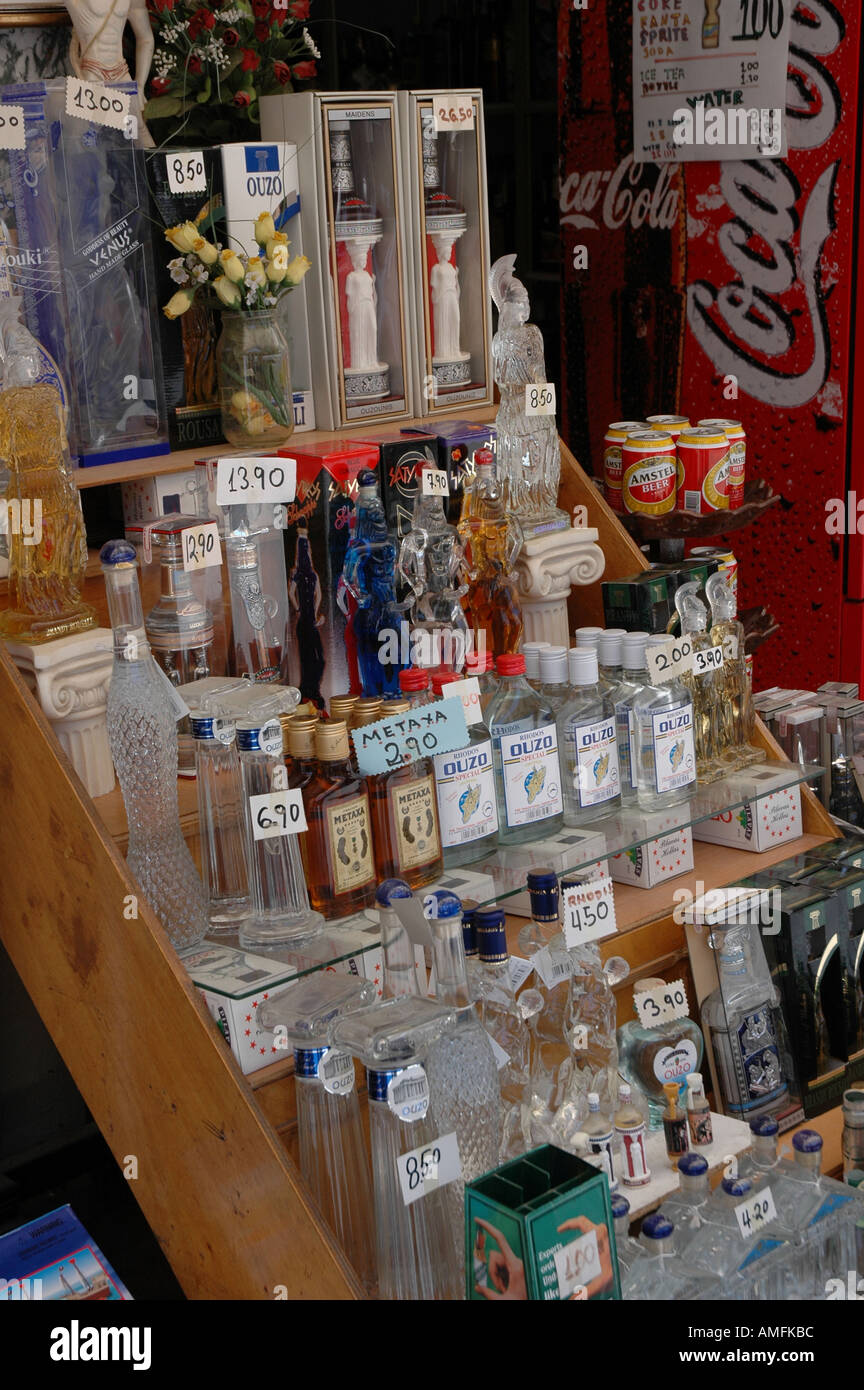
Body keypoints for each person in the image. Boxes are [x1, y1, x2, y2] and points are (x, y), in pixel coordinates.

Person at [65, 0, 154, 144]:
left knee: (138, 131)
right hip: (93, 71)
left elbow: (146, 38)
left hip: (121, 71)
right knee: (89, 136)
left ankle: (154, 166)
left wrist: (140, 85)